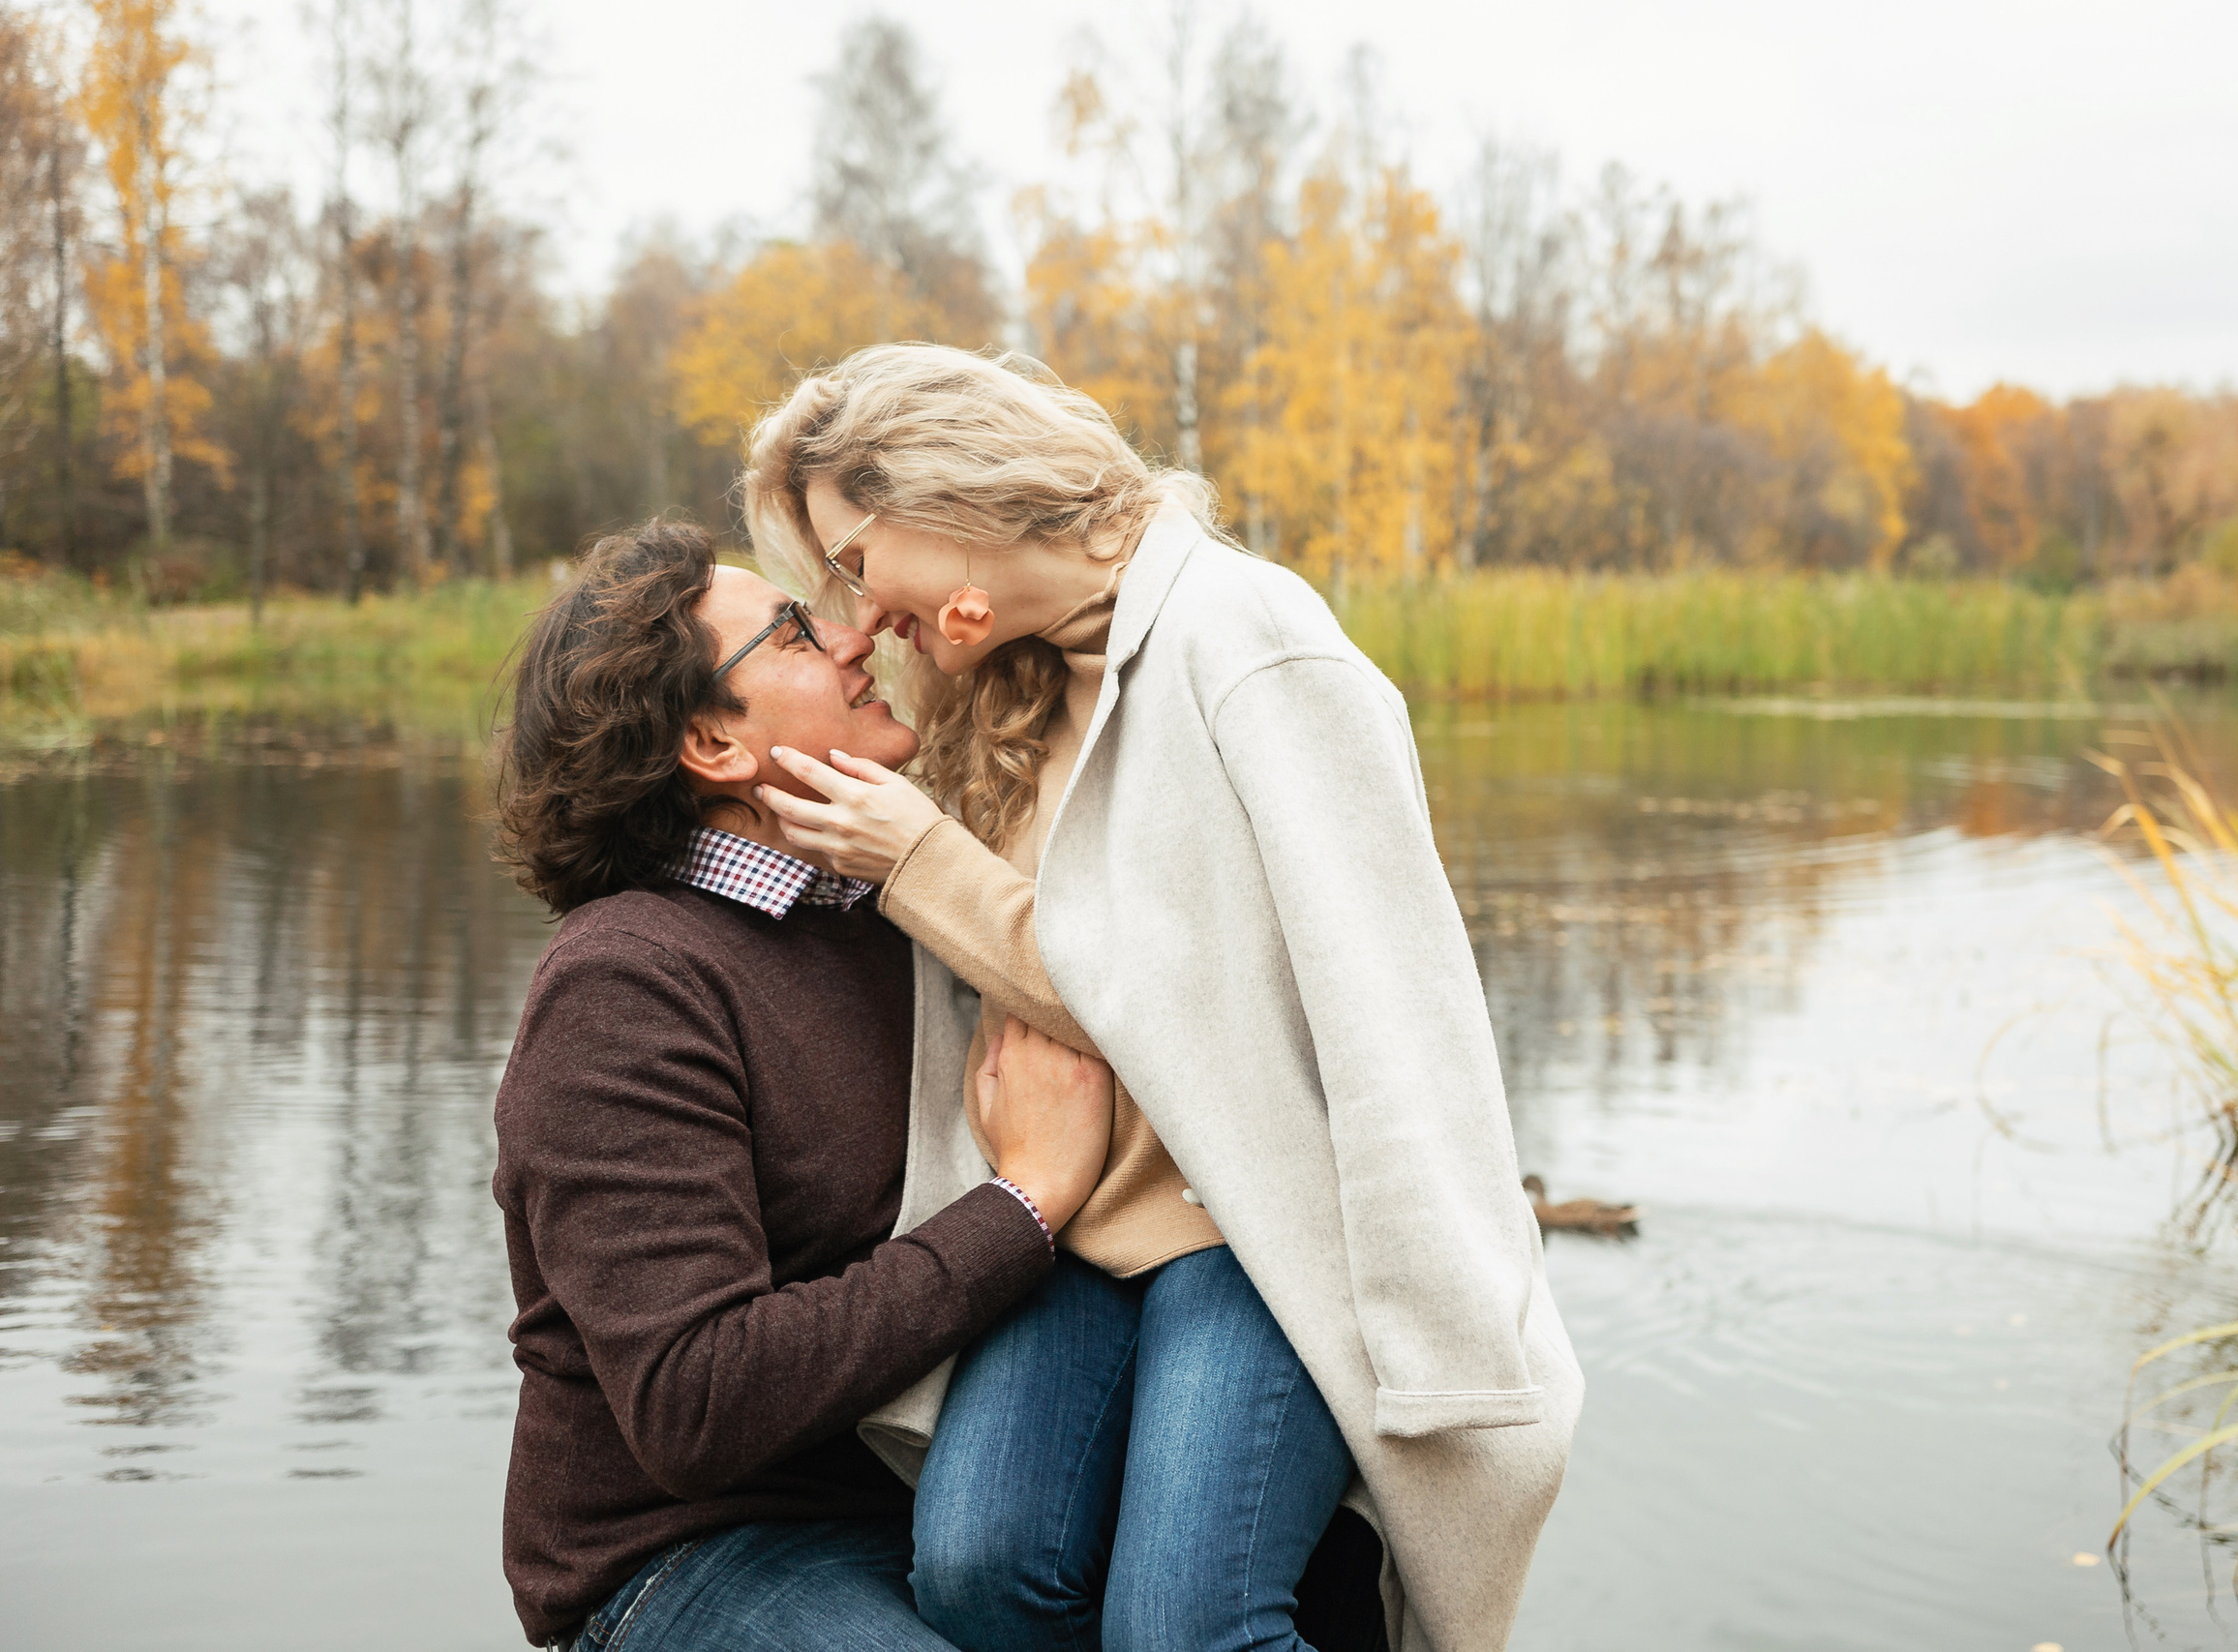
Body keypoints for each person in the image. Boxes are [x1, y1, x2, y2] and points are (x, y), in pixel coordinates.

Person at [739, 345, 1585, 1652]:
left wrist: (915, 856)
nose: (850, 619)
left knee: (1185, 1626)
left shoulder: (1249, 636)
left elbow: (1371, 1008)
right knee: (977, 1571)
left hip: (1255, 1224)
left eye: (856, 560)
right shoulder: (1002, 688)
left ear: (949, 497)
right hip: (1076, 1226)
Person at [488, 520, 1116, 1651]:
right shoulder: (628, 985)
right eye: (789, 631)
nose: (851, 633)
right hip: (692, 1551)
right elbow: (698, 1400)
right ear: (715, 748)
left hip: (948, 1512)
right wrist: (1025, 1205)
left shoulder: (909, 905)